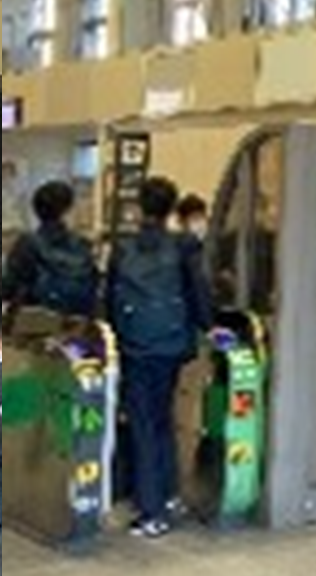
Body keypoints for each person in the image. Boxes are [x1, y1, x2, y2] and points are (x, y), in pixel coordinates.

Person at [106, 176, 213, 538]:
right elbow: (199, 291)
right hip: (171, 345)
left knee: (142, 425)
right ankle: (168, 495)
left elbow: (109, 298)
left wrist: (113, 338)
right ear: (171, 209)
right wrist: (208, 326)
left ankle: (151, 511)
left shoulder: (123, 248)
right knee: (163, 419)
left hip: (135, 347)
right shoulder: (184, 245)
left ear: (139, 207)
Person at [1, 180, 100, 332]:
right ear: (67, 211)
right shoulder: (83, 245)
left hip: (34, 327)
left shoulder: (27, 243)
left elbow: (8, 288)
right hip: (75, 328)